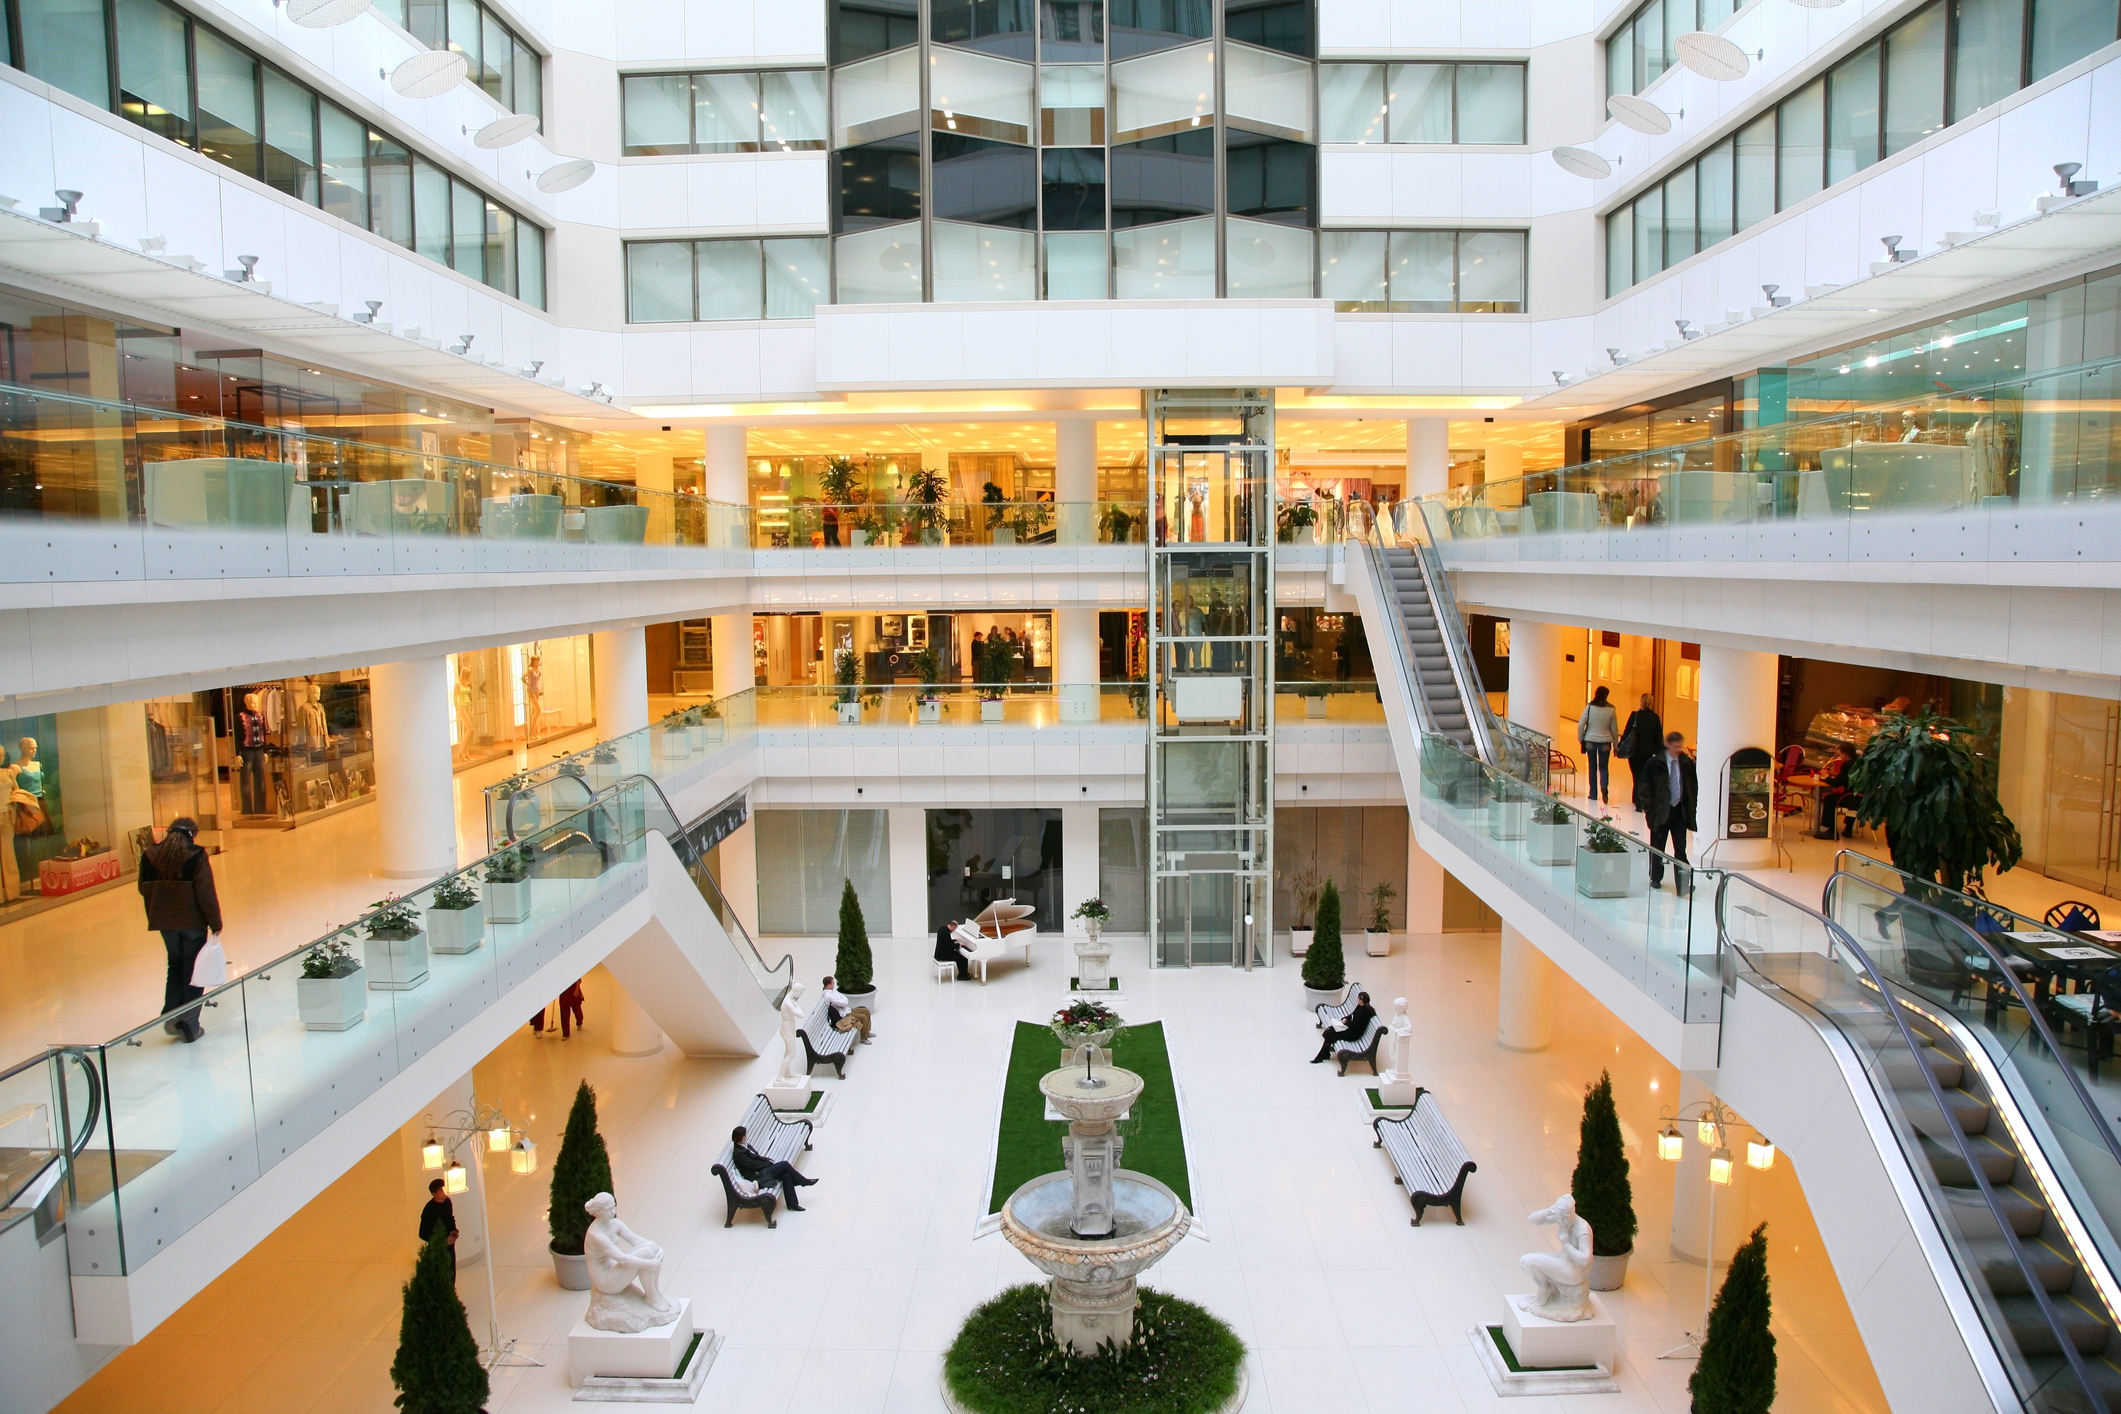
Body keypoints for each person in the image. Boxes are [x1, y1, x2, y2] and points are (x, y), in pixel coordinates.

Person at [138, 817, 221, 1043]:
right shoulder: (195, 855)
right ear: (192, 834)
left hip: (163, 922)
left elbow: (142, 888)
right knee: (194, 971)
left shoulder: (150, 855)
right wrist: (216, 923)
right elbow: (206, 893)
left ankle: (172, 1015)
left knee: (175, 965)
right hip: (192, 921)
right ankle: (190, 1023)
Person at [1642, 731, 1699, 893]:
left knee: (1680, 848)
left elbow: (1692, 787)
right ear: (1667, 744)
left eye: (1680, 746)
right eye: (1675, 746)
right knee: (1658, 847)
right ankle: (1655, 877)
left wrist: (1691, 808)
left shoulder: (1687, 763)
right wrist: (1650, 809)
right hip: (1660, 811)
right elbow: (1645, 787)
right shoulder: (1654, 763)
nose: (1678, 749)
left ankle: (1683, 884)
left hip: (1679, 811)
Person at [730, 1125, 817, 1210]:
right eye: (744, 1135)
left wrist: (766, 1161)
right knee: (784, 1164)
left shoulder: (745, 1146)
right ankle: (802, 1181)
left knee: (786, 1175)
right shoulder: (739, 1153)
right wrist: (767, 1163)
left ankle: (793, 1204)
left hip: (762, 1170)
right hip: (757, 1176)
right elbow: (753, 1165)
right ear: (739, 1137)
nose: (746, 1136)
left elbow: (757, 1157)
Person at [1618, 693, 1663, 813]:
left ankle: (1638, 802)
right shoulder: (1655, 718)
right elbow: (1659, 737)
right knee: (1644, 776)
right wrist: (1660, 752)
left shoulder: (1635, 715)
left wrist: (1619, 746)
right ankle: (1639, 800)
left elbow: (1627, 732)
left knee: (1636, 775)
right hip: (1648, 752)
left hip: (1634, 751)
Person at [1577, 686, 1619, 811]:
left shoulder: (1590, 707)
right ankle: (1604, 786)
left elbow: (1580, 724)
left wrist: (1581, 739)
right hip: (1605, 741)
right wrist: (1616, 746)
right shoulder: (1611, 709)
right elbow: (1614, 729)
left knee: (1592, 767)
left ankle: (1593, 794)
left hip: (1590, 740)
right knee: (1604, 767)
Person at [1311, 991, 1377, 1064]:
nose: (1357, 999)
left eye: (1358, 998)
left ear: (1361, 1000)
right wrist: (1346, 1018)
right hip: (1350, 1028)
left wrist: (1346, 1023)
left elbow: (1357, 1025)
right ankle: (1324, 1054)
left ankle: (1322, 1056)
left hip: (1353, 1033)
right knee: (1329, 1030)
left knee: (1330, 1034)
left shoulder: (1364, 1012)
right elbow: (1352, 1015)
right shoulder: (1359, 1007)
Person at [1816, 742, 1862, 837]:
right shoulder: (1858, 762)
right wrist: (1835, 774)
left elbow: (1836, 784)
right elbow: (1847, 779)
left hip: (1851, 798)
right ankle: (1848, 829)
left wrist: (1826, 776)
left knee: (1829, 799)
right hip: (1861, 797)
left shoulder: (1847, 765)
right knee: (1848, 800)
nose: (1840, 757)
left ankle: (1831, 831)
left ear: (1845, 755)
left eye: (1840, 754)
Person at [418, 1176, 458, 1276]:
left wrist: (454, 1230)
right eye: (440, 1190)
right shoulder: (429, 1209)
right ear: (433, 1193)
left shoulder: (447, 1202)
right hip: (437, 1248)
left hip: (449, 1245)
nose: (444, 1191)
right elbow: (423, 1234)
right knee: (441, 1274)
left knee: (451, 1271)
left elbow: (450, 1218)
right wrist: (443, 1240)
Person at [820, 974, 874, 1043]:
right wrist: (844, 1001)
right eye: (832, 982)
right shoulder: (828, 996)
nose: (834, 983)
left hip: (847, 1010)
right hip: (844, 1015)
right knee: (863, 1017)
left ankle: (867, 1032)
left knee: (866, 1011)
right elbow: (844, 1003)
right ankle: (864, 1038)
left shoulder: (833, 991)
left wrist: (844, 1001)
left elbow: (844, 998)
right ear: (829, 984)